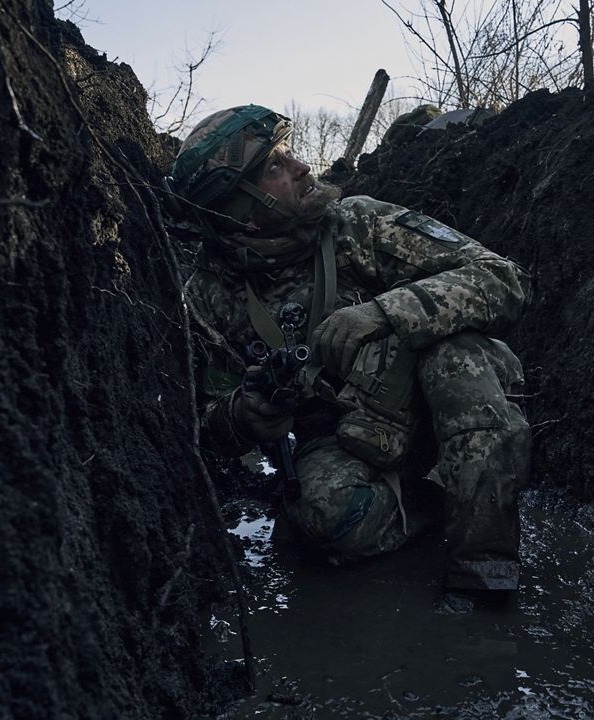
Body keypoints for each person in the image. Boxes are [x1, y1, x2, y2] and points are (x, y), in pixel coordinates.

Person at [166, 105, 531, 601]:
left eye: (288, 153)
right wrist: (247, 416)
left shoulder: (358, 225)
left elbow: (501, 276)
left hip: (443, 403)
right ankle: (437, 500)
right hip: (350, 441)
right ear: (239, 212)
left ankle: (485, 571)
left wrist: (386, 312)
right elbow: (200, 423)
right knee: (319, 518)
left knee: (456, 356)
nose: (301, 168)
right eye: (274, 166)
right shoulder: (208, 296)